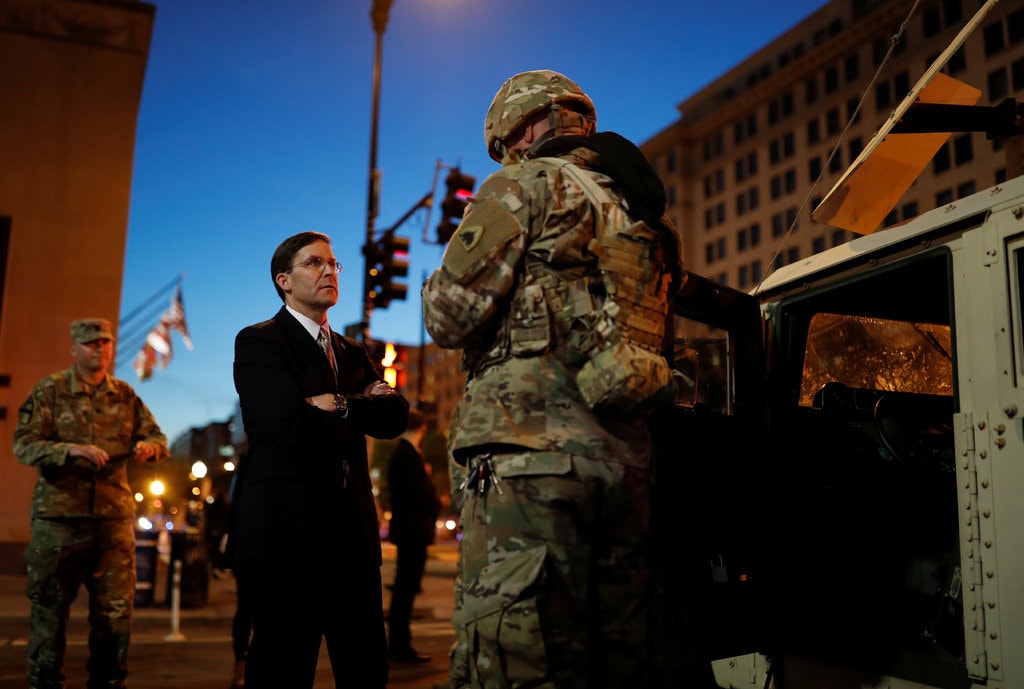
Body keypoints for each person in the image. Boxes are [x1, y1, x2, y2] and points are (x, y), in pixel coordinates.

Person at [422, 70, 684, 688]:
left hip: (529, 459)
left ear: (529, 125)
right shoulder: (645, 218)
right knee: (620, 660)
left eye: (508, 142)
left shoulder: (525, 184)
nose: (509, 155)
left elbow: (448, 315)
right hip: (627, 466)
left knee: (516, 659)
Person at [232, 231, 409, 689]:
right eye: (315, 263)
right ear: (284, 281)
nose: (330, 271)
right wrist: (359, 402)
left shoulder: (351, 350)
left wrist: (339, 403)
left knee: (366, 669)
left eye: (334, 264)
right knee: (283, 667)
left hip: (354, 537)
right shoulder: (260, 343)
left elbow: (394, 416)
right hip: (290, 537)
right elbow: (287, 422)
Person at [13, 317, 170, 689]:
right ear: (74, 349)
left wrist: (150, 448)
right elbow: (24, 444)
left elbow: (157, 437)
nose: (99, 349)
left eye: (105, 343)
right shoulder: (50, 390)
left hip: (112, 522)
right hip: (59, 521)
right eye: (90, 344)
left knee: (115, 616)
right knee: (50, 614)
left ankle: (108, 683)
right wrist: (69, 450)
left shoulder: (125, 395)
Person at [385, 407, 441, 664]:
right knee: (405, 590)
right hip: (413, 529)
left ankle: (399, 643)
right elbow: (419, 494)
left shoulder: (403, 454)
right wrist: (435, 499)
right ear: (421, 429)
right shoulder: (408, 456)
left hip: (409, 529)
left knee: (404, 589)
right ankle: (400, 645)